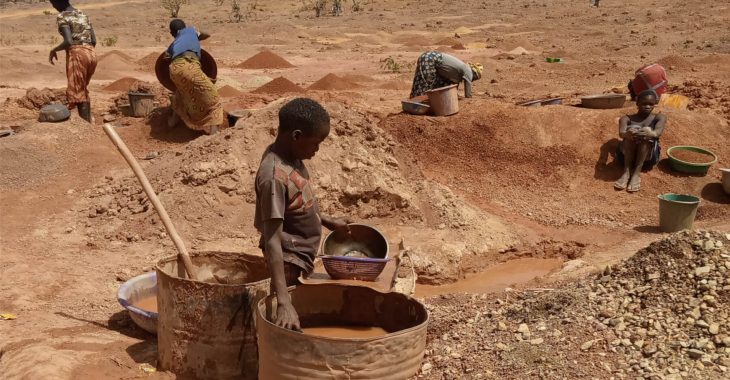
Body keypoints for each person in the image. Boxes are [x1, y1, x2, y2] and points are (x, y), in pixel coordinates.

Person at [254, 98, 352, 331]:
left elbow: (297, 202)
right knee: (287, 324)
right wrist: (283, 302)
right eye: (316, 143)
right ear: (296, 136)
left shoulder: (293, 158)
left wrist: (327, 221)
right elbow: (272, 241)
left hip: (300, 256)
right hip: (287, 261)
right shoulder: (274, 177)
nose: (317, 150)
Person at [165, 19, 225, 135]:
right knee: (214, 99)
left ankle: (172, 121)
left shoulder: (174, 44)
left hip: (174, 70)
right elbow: (207, 34)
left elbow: (166, 58)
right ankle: (214, 135)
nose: (172, 35)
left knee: (181, 94)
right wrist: (197, 36)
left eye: (172, 33)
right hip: (189, 67)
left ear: (173, 32)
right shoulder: (190, 30)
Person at [48, 0, 97, 123]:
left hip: (77, 54)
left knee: (77, 92)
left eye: (53, 3)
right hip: (91, 53)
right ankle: (89, 124)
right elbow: (94, 40)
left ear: (59, 2)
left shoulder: (63, 16)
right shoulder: (83, 15)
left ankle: (85, 127)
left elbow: (68, 41)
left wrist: (54, 49)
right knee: (83, 88)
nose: (53, 6)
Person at [614, 90, 667, 193]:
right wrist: (628, 134)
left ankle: (636, 173)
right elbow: (621, 133)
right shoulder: (626, 118)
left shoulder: (659, 117)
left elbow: (657, 133)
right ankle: (626, 171)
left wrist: (648, 133)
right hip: (625, 157)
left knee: (645, 135)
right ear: (637, 103)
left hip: (648, 158)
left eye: (651, 104)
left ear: (655, 104)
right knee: (632, 133)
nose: (647, 106)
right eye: (644, 103)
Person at [410, 51, 483, 99]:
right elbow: (468, 87)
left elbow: (450, 87)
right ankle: (417, 103)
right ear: (475, 74)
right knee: (425, 83)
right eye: (476, 78)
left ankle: (414, 100)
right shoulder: (468, 70)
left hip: (430, 58)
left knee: (437, 84)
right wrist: (469, 99)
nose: (474, 80)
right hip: (430, 58)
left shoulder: (457, 75)